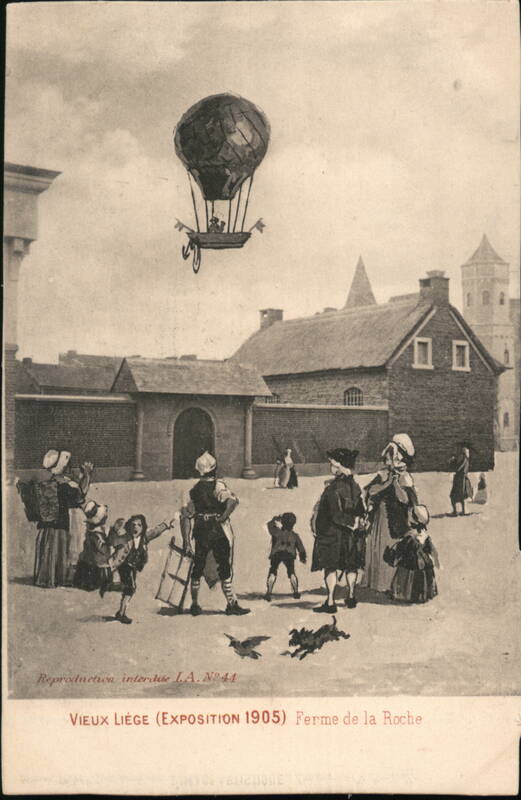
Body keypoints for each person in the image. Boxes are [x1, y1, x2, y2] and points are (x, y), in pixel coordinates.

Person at [181, 451, 250, 616]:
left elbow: (185, 516)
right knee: (224, 566)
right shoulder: (219, 485)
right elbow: (233, 501)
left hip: (201, 531)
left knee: (198, 567)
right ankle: (231, 604)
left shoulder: (192, 490)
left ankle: (195, 604)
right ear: (214, 470)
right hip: (217, 531)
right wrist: (223, 517)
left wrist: (186, 541)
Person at [361, 433, 418, 596]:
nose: (388, 460)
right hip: (380, 517)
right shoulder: (384, 474)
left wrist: (396, 485)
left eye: (390, 457)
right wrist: (386, 484)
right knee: (377, 547)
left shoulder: (405, 477)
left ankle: (389, 584)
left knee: (392, 549)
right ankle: (375, 582)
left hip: (396, 520)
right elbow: (369, 491)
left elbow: (407, 500)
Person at [310, 448, 366, 612]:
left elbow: (335, 515)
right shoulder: (355, 486)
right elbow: (361, 509)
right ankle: (351, 596)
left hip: (332, 535)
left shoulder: (333, 489)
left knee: (331, 567)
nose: (331, 467)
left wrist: (351, 522)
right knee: (351, 567)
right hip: (351, 537)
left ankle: (330, 602)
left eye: (333, 465)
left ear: (341, 466)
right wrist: (357, 522)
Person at [31, 450, 93, 588]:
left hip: (48, 524)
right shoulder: (65, 484)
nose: (70, 467)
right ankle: (56, 578)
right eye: (68, 464)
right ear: (63, 466)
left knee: (49, 549)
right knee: (59, 549)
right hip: (60, 523)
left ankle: (46, 576)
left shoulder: (49, 482)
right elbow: (79, 497)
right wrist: (87, 475)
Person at [108, 514, 176, 624]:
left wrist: (166, 525)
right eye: (133, 525)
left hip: (133, 566)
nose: (136, 527)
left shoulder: (144, 538)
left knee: (130, 588)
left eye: (139, 525)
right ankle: (121, 613)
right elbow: (112, 540)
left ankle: (120, 612)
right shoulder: (125, 537)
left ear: (143, 527)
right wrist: (114, 529)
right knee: (131, 587)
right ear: (129, 526)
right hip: (124, 565)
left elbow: (155, 532)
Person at [384, 505, 439, 604]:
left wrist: (394, 559)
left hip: (411, 563)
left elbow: (401, 550)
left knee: (405, 574)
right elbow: (431, 549)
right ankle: (424, 594)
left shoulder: (409, 536)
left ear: (413, 519)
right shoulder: (425, 535)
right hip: (424, 563)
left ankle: (405, 594)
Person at [73, 500, 114, 595]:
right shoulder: (97, 534)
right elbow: (101, 548)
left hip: (88, 558)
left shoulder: (91, 531)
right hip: (96, 561)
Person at [264, 512, 307, 601]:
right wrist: (303, 557)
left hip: (277, 553)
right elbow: (301, 548)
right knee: (291, 572)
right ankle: (295, 592)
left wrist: (275, 518)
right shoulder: (295, 535)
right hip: (289, 554)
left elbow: (269, 524)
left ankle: (269, 592)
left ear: (282, 522)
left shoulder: (276, 532)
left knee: (273, 571)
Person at [449, 442, 473, 516]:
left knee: (459, 496)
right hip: (458, 479)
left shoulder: (464, 460)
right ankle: (457, 511)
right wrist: (452, 461)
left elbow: (458, 468)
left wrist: (452, 462)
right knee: (455, 496)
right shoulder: (461, 459)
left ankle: (460, 511)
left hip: (461, 479)